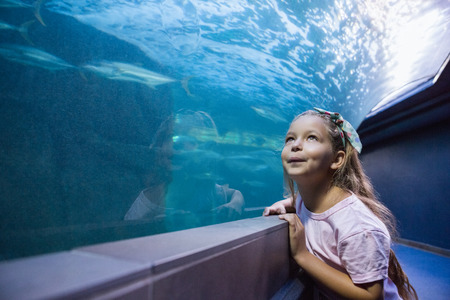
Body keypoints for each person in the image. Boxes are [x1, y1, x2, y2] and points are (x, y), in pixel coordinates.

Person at [263, 108, 417, 299]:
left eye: (311, 137)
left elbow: (371, 296)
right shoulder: (308, 199)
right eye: (290, 139)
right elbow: (299, 200)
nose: (296, 145)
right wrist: (284, 204)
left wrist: (302, 255)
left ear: (337, 159)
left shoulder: (356, 226)